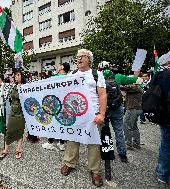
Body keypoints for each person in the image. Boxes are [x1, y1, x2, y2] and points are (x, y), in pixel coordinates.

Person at [60, 49, 106, 187]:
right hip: (75, 113)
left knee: (93, 143)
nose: (78, 59)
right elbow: (64, 91)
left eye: (82, 56)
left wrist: (102, 114)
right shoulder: (72, 74)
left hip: (93, 114)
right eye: (77, 57)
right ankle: (69, 162)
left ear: (89, 59)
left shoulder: (97, 74)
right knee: (73, 139)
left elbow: (102, 94)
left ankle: (95, 170)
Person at [0, 66, 26, 160]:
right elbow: (1, 83)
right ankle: (5, 150)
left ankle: (18, 149)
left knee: (20, 131)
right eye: (15, 75)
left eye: (18, 75)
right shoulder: (12, 86)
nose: (16, 77)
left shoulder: (27, 87)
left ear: (22, 76)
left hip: (22, 113)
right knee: (9, 130)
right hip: (13, 111)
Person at [42, 62, 70, 151]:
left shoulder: (54, 78)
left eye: (59, 65)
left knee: (53, 123)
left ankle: (50, 142)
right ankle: (61, 143)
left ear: (62, 67)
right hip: (64, 104)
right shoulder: (69, 78)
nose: (58, 67)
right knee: (62, 122)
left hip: (54, 104)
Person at [101, 69, 128, 163]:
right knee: (119, 131)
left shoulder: (102, 84)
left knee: (105, 131)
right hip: (118, 109)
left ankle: (107, 151)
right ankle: (122, 154)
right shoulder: (116, 83)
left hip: (106, 110)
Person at [154, 52, 170, 183]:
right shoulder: (169, 75)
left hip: (162, 114)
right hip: (169, 114)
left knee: (165, 143)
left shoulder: (158, 75)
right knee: (167, 144)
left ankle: (162, 173)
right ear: (169, 62)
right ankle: (163, 174)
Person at [121, 77, 143, 150]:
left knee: (126, 125)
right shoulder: (138, 88)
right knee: (133, 126)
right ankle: (136, 143)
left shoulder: (135, 87)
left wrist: (118, 81)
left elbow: (122, 87)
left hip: (132, 108)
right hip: (137, 108)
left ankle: (129, 143)